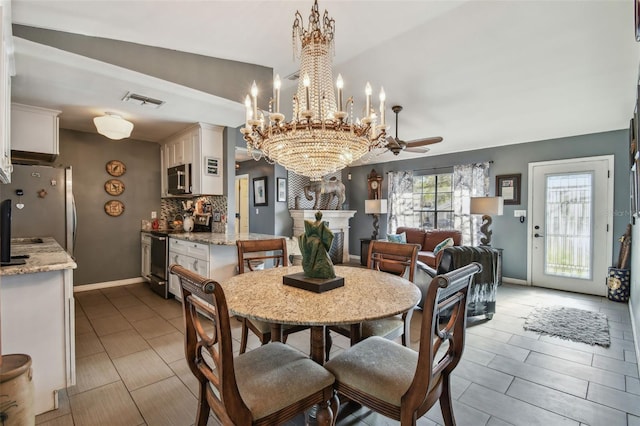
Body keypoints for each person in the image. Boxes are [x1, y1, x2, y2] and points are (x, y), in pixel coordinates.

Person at [298, 211, 336, 279]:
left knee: (314, 257)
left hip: (311, 242)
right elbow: (331, 235)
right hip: (318, 244)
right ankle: (316, 270)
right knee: (320, 258)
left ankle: (312, 269)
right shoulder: (322, 224)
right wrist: (326, 245)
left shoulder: (311, 224)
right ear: (320, 217)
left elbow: (307, 233)